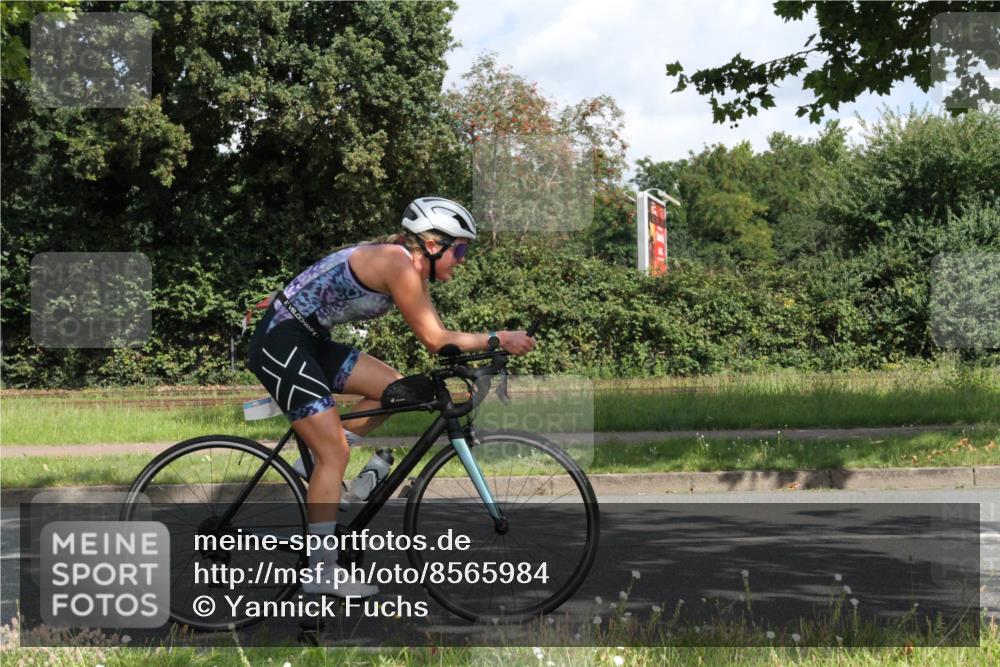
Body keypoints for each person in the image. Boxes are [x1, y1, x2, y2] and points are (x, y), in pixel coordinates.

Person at [247, 197, 536, 597]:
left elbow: (439, 333)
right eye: (461, 249)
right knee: (335, 455)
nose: (463, 259)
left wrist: (487, 348)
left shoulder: (406, 266)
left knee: (393, 391)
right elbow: (436, 341)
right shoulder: (399, 263)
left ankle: (315, 463)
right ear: (433, 245)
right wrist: (499, 338)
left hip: (307, 341)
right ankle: (321, 569)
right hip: (282, 343)